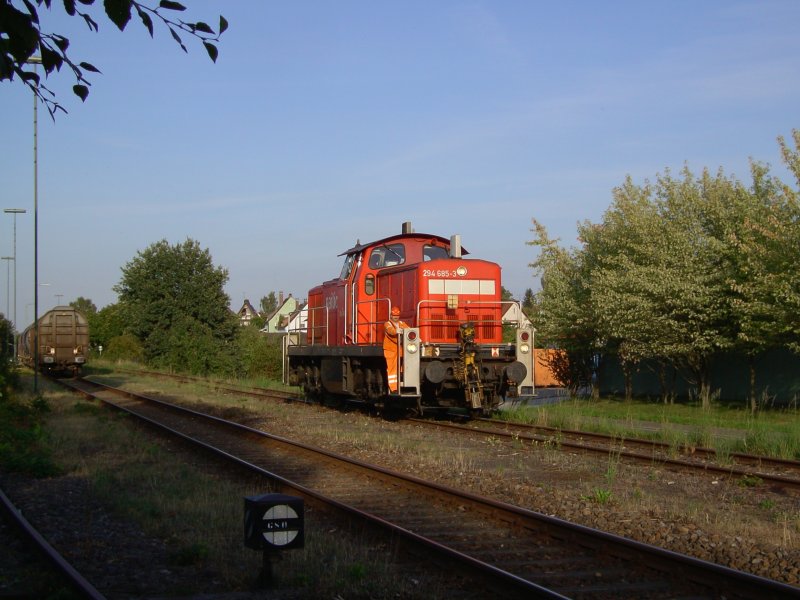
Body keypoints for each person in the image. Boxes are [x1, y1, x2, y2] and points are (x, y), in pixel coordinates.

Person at [383, 306, 409, 393]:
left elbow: (409, 330)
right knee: (392, 369)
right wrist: (396, 331)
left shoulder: (402, 323)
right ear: (391, 315)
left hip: (400, 349)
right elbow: (390, 331)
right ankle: (393, 388)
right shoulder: (387, 324)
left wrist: (417, 337)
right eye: (394, 315)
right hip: (390, 350)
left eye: (397, 315)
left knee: (405, 365)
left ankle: (405, 383)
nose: (396, 317)